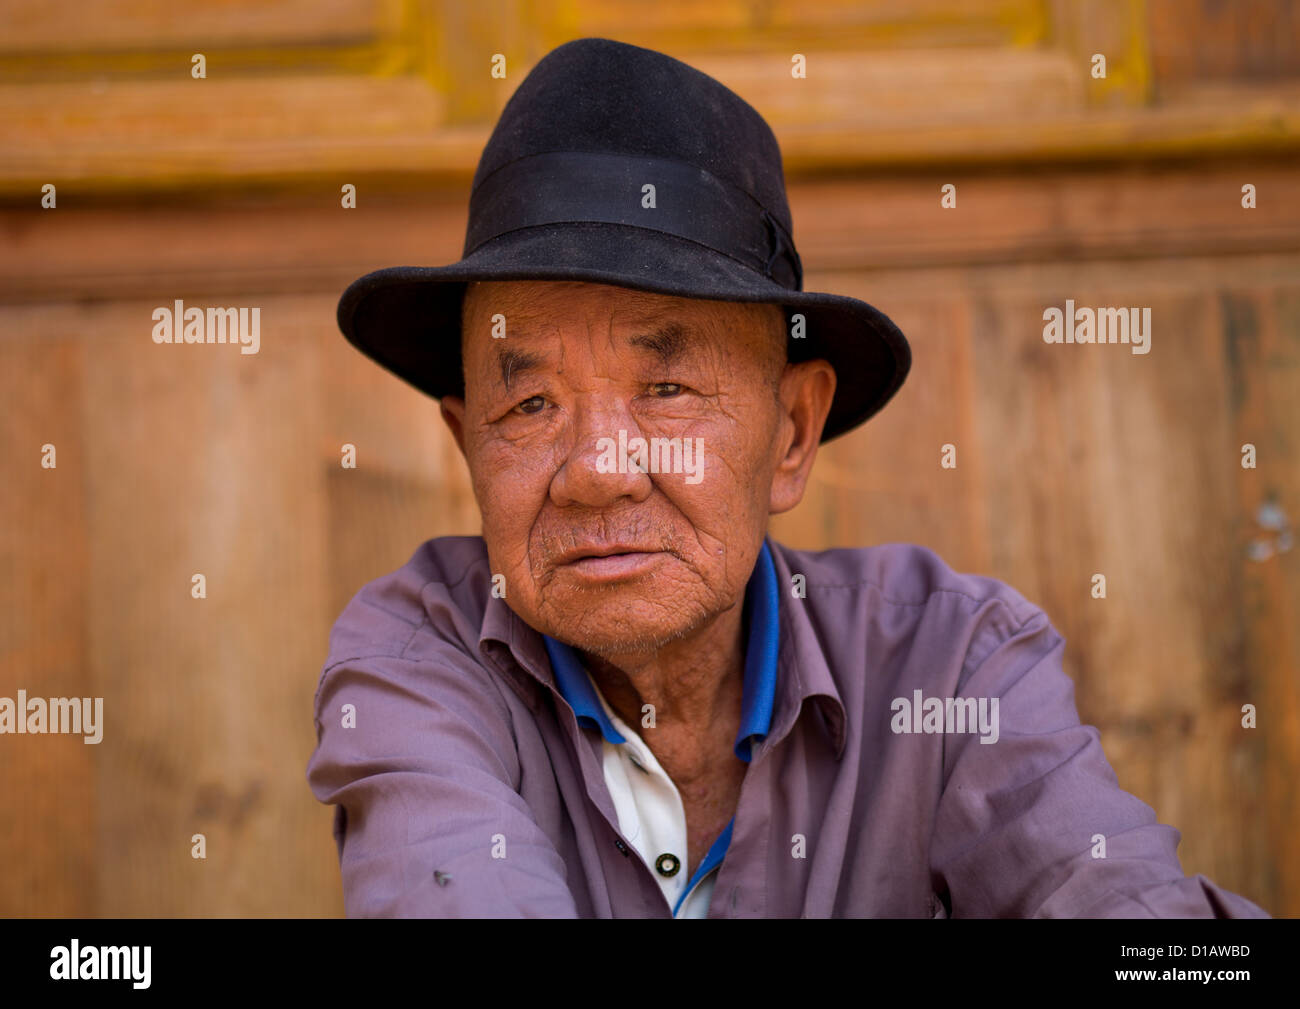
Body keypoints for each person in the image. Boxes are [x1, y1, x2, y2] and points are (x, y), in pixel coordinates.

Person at [306, 37, 1268, 918]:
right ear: (469, 443)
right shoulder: (417, 661)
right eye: (530, 407)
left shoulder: (950, 665)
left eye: (668, 387)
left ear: (794, 434)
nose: (598, 470)